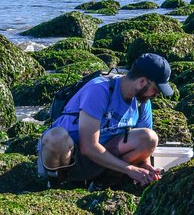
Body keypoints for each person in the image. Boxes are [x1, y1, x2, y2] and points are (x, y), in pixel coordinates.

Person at [36, 53, 174, 188]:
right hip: (71, 156)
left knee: (149, 138)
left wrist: (145, 165)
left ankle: (101, 184)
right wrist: (129, 169)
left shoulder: (142, 102)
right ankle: (55, 184)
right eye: (156, 89)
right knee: (56, 137)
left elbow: (145, 146)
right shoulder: (99, 90)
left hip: (103, 158)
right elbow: (88, 147)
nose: (156, 94)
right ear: (142, 81)